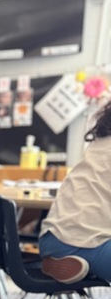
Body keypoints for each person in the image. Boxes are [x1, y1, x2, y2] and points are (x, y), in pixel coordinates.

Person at [39, 99, 111, 283]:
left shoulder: (100, 142)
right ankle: (74, 256)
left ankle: (60, 258)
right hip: (89, 241)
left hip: (52, 237)